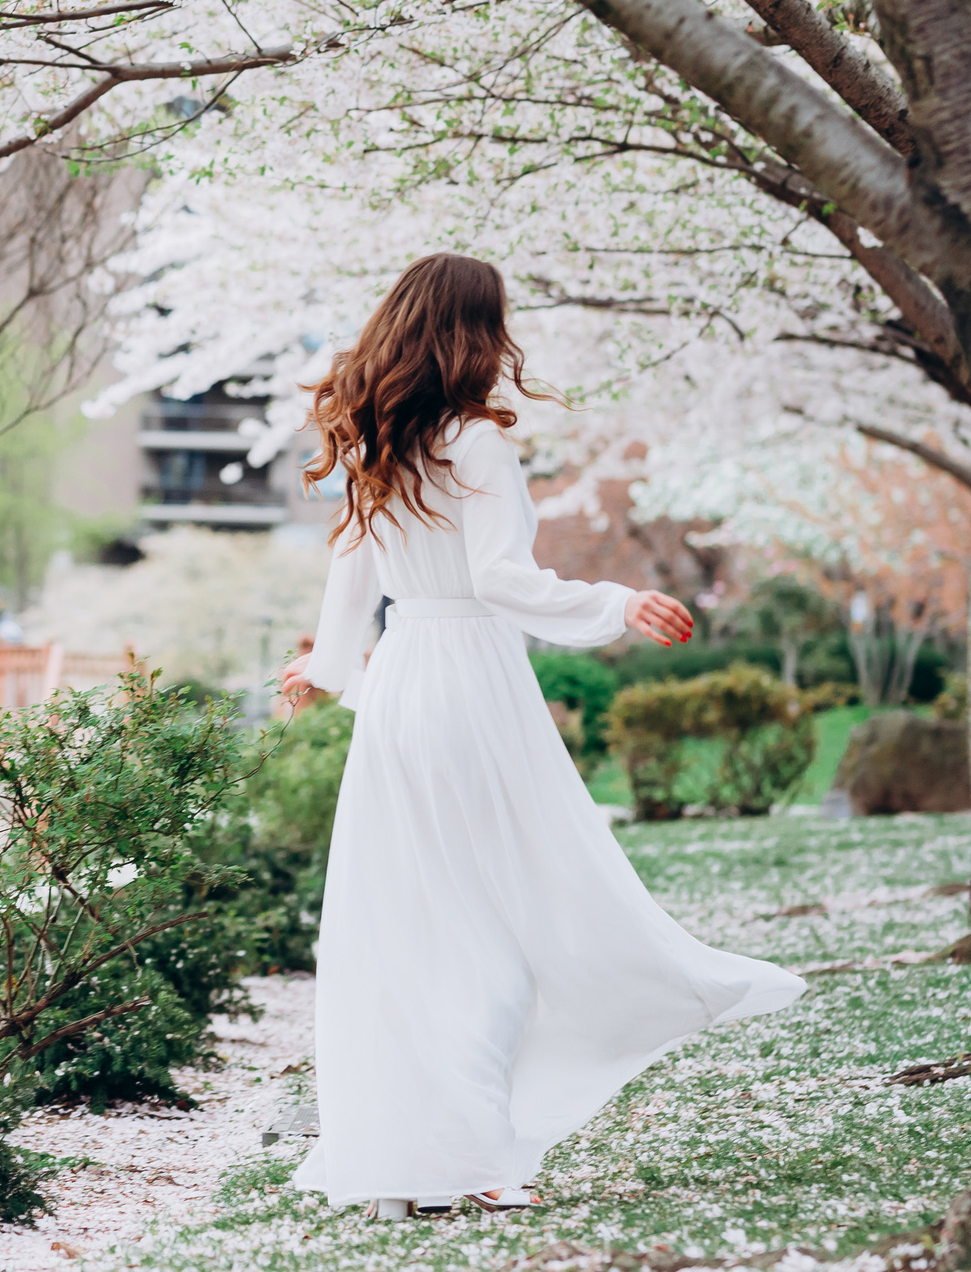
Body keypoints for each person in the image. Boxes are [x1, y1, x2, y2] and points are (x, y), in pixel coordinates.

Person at [277, 253, 803, 1221]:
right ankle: (472, 1154)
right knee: (494, 925)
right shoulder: (472, 441)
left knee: (416, 923)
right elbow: (501, 581)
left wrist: (326, 672)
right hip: (470, 683)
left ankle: (416, 1157)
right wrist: (616, 601)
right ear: (476, 332)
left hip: (400, 691)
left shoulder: (372, 441)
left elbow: (351, 582)